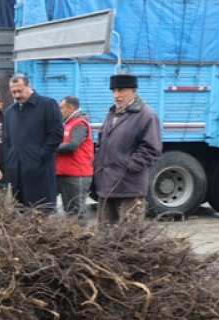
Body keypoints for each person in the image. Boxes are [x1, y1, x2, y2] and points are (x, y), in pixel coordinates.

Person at [93, 73, 162, 224]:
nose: (117, 95)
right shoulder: (112, 113)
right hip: (107, 185)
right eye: (114, 91)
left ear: (134, 90)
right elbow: (102, 144)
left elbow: (152, 149)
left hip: (130, 186)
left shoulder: (147, 115)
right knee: (104, 237)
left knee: (128, 238)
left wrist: (128, 166)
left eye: (121, 90)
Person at [3, 73, 64, 211]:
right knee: (21, 216)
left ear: (29, 86)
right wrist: (11, 160)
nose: (17, 95)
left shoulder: (47, 105)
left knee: (41, 215)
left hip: (40, 172)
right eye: (14, 92)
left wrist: (40, 155)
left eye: (20, 90)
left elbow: (56, 134)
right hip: (18, 174)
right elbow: (6, 140)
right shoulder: (10, 112)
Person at [55, 95, 94, 221]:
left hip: (78, 174)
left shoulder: (80, 124)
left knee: (77, 210)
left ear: (71, 108)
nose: (60, 111)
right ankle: (73, 237)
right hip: (65, 173)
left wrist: (51, 147)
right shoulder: (67, 123)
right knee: (68, 209)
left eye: (61, 108)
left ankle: (83, 237)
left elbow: (72, 145)